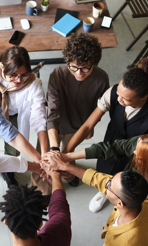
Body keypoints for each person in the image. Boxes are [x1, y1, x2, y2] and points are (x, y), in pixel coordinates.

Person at [51, 133, 148, 246]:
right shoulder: (141, 144)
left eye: (138, 155)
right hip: (134, 202)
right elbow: (110, 152)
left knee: (144, 234)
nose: (133, 151)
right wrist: (66, 159)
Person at [63, 56, 148, 212]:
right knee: (104, 166)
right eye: (118, 93)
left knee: (125, 179)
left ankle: (119, 197)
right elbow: (87, 126)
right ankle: (104, 191)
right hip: (112, 138)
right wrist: (66, 152)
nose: (119, 100)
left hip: (134, 152)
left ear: (143, 97)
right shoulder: (112, 93)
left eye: (125, 99)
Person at [42, 33, 109, 189]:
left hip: (78, 127)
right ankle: (43, 189)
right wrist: (54, 149)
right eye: (74, 67)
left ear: (94, 63)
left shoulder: (101, 79)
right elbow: (52, 111)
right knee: (45, 156)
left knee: (69, 155)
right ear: (67, 61)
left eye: (85, 67)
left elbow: (99, 109)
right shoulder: (58, 75)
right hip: (53, 127)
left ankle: (69, 175)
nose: (79, 73)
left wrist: (90, 127)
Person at [0, 46, 48, 189]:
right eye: (13, 75)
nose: (19, 80)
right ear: (2, 68)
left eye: (24, 75)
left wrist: (44, 155)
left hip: (14, 115)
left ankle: (8, 170)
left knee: (13, 149)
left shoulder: (33, 84)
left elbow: (39, 117)